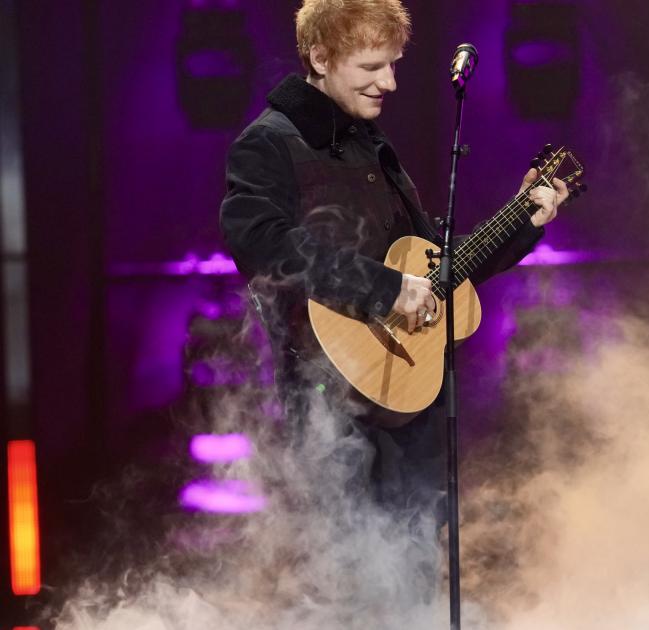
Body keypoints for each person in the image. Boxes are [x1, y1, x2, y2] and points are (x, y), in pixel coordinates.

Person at [218, 0, 567, 597]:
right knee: (348, 584)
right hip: (332, 404)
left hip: (408, 406)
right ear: (321, 58)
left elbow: (432, 269)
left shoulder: (370, 144)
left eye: (394, 64)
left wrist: (521, 222)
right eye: (372, 66)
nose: (390, 82)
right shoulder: (270, 143)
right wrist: (384, 290)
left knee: (411, 579)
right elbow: (261, 242)